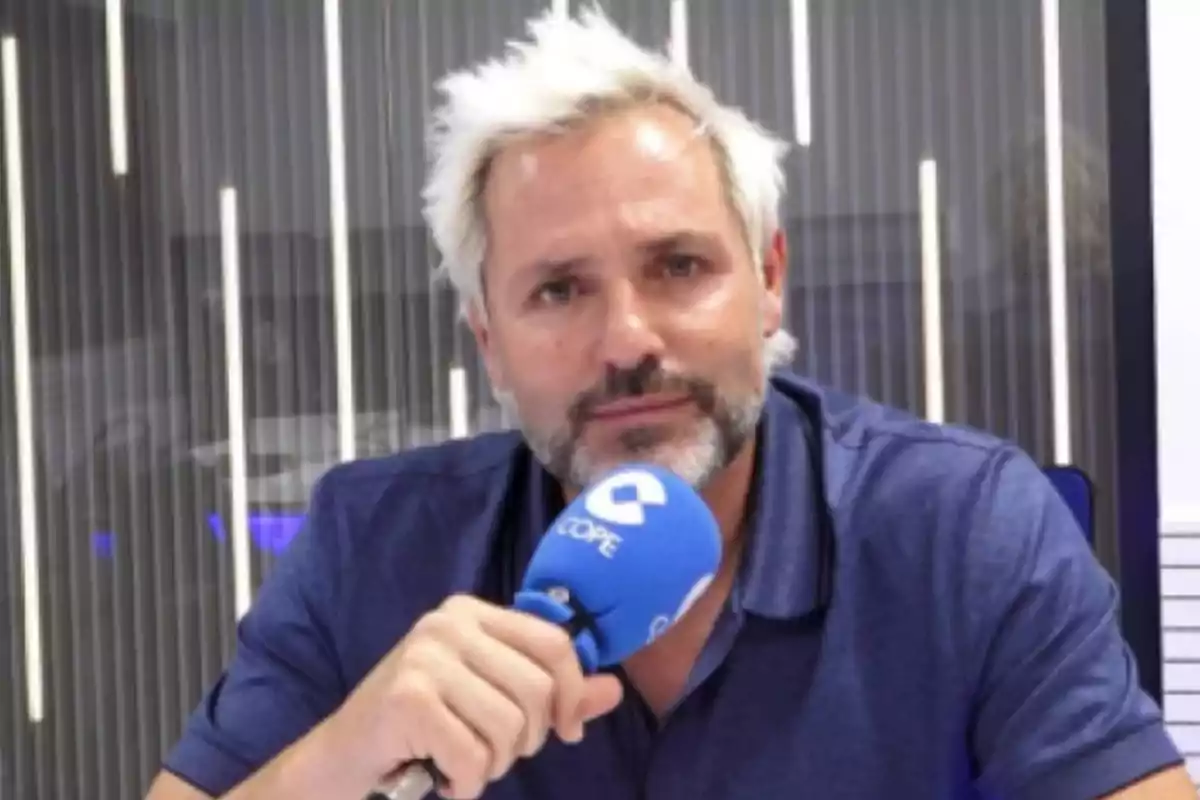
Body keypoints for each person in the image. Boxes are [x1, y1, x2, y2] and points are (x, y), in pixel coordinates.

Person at [146, 8, 1193, 800]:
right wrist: (340, 756)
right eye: (558, 289)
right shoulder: (367, 544)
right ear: (488, 339)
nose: (627, 340)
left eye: (680, 264)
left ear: (769, 276)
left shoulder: (968, 528)